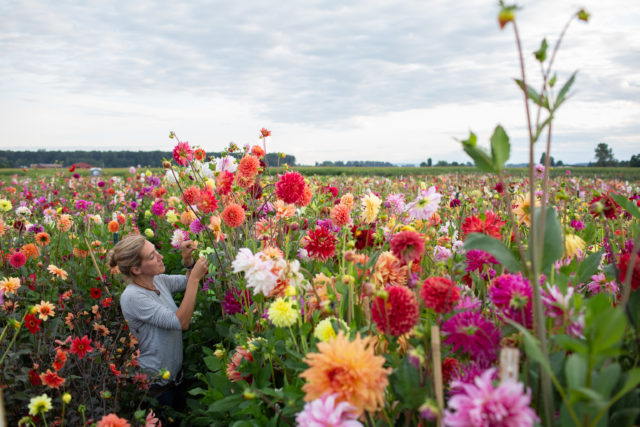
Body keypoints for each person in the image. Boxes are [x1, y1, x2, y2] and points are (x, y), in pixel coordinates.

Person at [107, 233, 208, 421]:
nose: (160, 256)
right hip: (157, 389)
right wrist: (194, 278)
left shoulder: (157, 280)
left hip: (175, 380)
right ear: (136, 269)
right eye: (152, 256)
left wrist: (188, 262)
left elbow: (187, 282)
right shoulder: (134, 297)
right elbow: (181, 322)